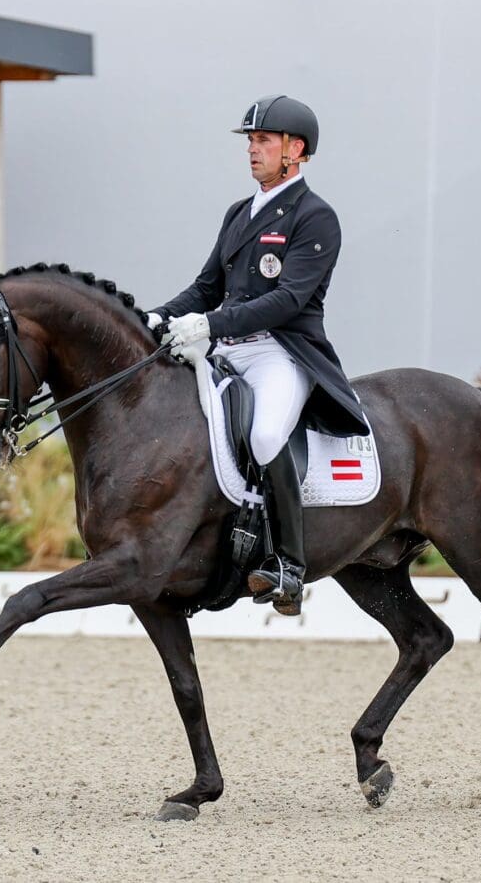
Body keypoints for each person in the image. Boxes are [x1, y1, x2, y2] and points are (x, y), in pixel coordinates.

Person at [147, 95, 369, 616]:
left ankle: (290, 567)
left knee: (267, 434)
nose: (253, 150)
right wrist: (153, 318)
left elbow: (288, 300)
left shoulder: (316, 217)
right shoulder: (239, 213)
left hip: (282, 353)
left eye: (263, 140)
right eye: (250, 141)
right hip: (226, 350)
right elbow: (205, 288)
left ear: (296, 150)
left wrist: (210, 323)